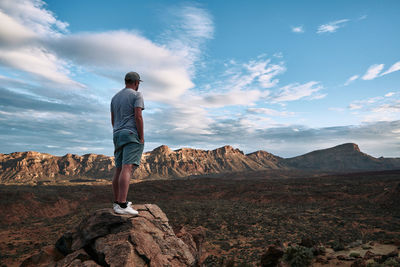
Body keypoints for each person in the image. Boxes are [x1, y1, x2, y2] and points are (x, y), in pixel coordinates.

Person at [110, 71, 145, 215]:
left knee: (118, 168)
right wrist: (141, 136)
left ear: (126, 81)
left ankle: (117, 202)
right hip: (130, 134)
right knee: (127, 168)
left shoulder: (115, 98)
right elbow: (138, 116)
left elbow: (113, 119)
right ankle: (123, 205)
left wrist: (118, 131)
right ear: (136, 83)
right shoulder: (137, 95)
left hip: (117, 134)